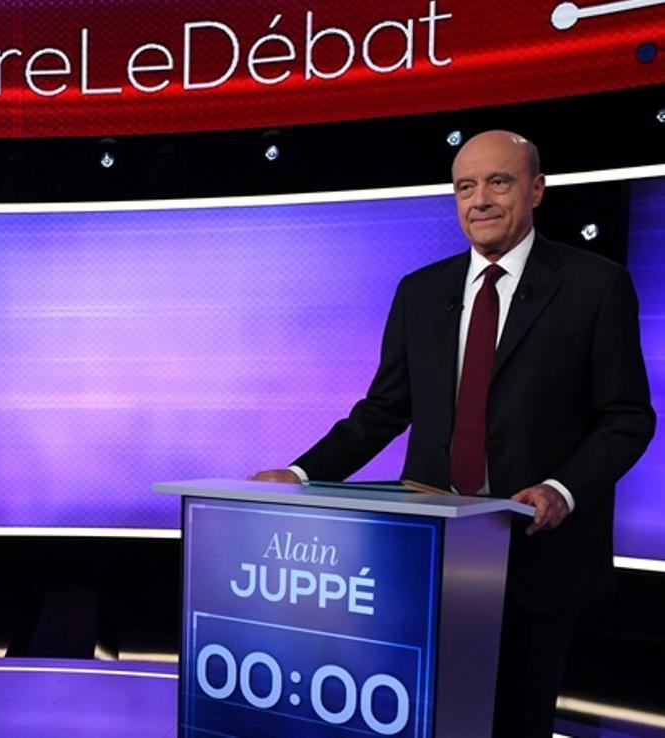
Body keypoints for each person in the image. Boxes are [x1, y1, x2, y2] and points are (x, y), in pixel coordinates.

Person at [251, 131, 655, 737]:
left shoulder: (595, 286)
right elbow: (383, 410)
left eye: (499, 182)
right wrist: (302, 473)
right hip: (428, 557)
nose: (480, 199)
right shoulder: (421, 292)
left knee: (515, 721)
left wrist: (560, 489)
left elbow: (627, 416)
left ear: (536, 190)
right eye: (465, 187)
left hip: (537, 558)